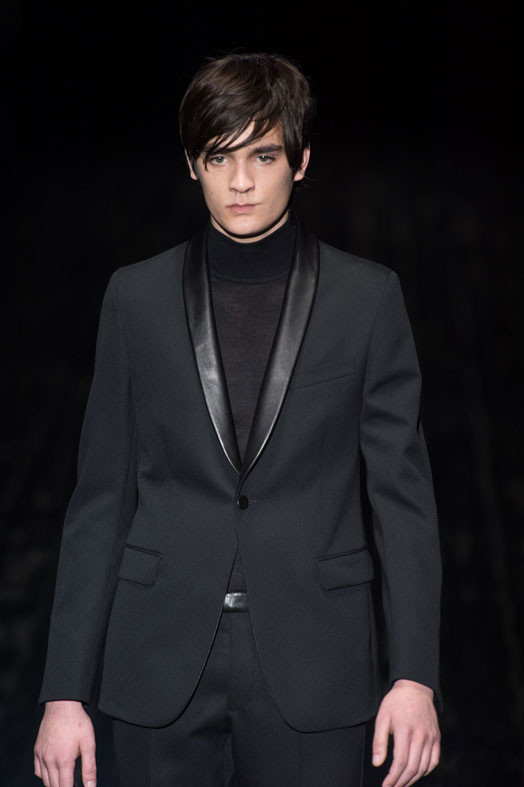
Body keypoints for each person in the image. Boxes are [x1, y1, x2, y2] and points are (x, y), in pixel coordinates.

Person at [34, 52, 442, 787]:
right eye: (220, 157)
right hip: (157, 658)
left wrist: (414, 677)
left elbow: (402, 501)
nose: (242, 181)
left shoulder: (367, 300)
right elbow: (100, 499)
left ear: (301, 161)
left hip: (316, 660)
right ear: (193, 165)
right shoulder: (135, 300)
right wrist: (64, 690)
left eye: (264, 155)